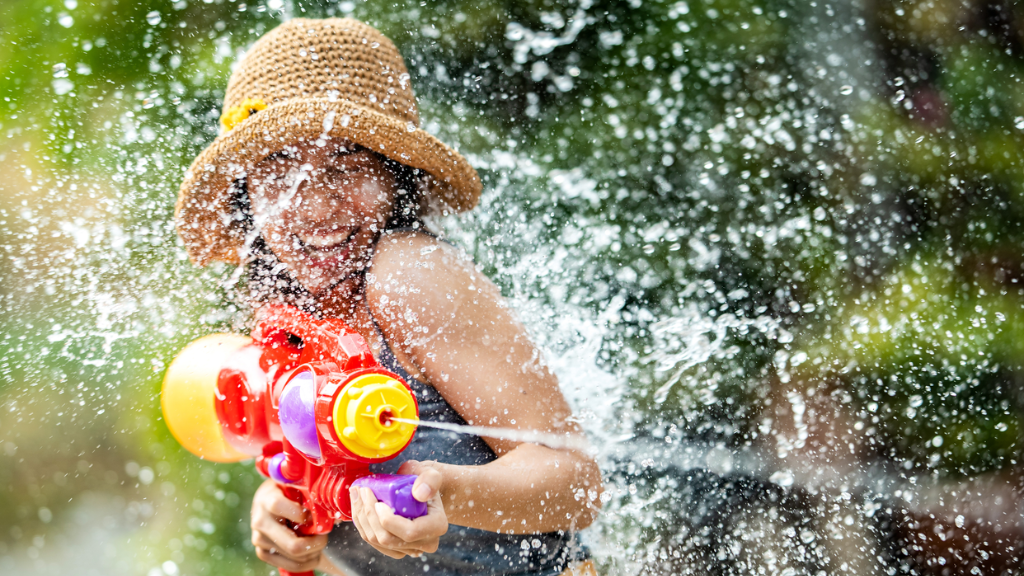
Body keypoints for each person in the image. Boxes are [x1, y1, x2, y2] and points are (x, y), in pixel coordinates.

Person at [174, 18, 603, 576]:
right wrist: (297, 532)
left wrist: (446, 490)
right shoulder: (281, 311)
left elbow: (578, 485)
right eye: (280, 172)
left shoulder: (408, 275)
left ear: (397, 177)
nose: (317, 209)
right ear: (246, 195)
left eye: (348, 167)